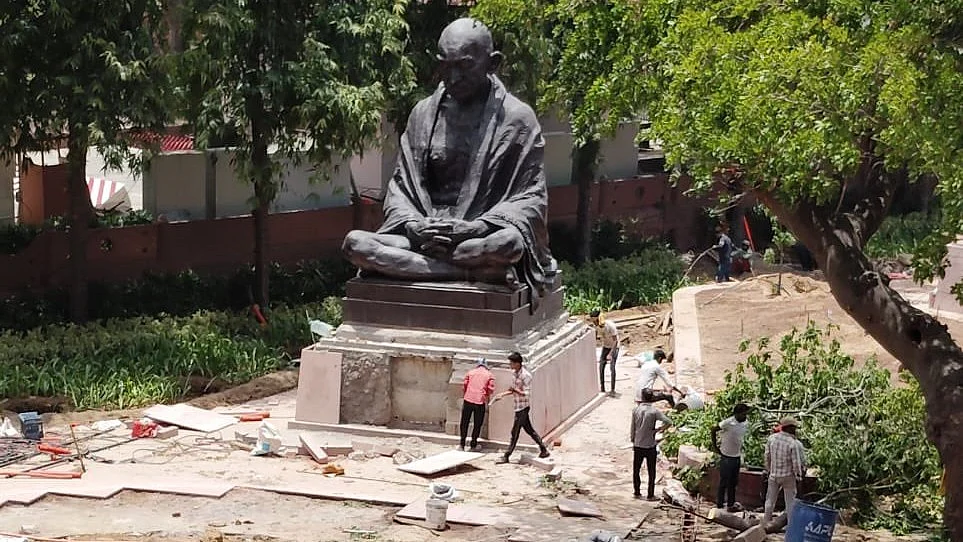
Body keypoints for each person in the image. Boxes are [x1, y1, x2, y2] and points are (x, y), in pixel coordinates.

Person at [341, 17, 558, 296]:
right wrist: (414, 225)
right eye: (445, 66)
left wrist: (476, 227)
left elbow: (530, 198)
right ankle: (464, 273)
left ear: (493, 63)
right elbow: (402, 188)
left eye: (465, 66)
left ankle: (416, 268)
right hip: (426, 238)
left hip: (480, 238)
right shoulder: (422, 115)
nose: (453, 78)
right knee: (355, 244)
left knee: (509, 244)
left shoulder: (517, 119)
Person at [494, 352, 551, 464]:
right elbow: (514, 390)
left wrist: (514, 391)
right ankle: (543, 449)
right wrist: (502, 395)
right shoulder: (515, 374)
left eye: (511, 363)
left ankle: (507, 455)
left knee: (514, 432)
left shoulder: (526, 375)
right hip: (518, 406)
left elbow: (526, 393)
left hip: (523, 407)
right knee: (530, 430)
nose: (510, 365)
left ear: (517, 363)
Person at [763, 417, 807, 526]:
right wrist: (799, 478)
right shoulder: (793, 443)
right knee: (790, 503)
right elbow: (796, 463)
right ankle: (791, 526)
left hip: (773, 475)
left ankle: (765, 523)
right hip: (788, 477)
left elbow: (767, 456)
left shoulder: (772, 439)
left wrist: (768, 469)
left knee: (770, 500)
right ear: (790, 428)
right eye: (794, 428)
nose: (795, 430)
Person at [631, 389, 672, 501]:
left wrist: (633, 440)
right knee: (651, 471)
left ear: (643, 397)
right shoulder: (654, 411)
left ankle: (637, 492)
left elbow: (633, 427)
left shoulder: (636, 410)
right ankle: (650, 494)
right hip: (650, 444)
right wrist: (659, 430)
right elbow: (668, 422)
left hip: (638, 444)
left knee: (636, 469)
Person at [710, 403, 750, 511]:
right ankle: (719, 503)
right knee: (724, 481)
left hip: (736, 455)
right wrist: (715, 447)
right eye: (743, 414)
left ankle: (730, 504)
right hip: (726, 456)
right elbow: (713, 429)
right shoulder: (728, 423)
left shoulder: (745, 423)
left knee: (733, 482)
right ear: (737, 414)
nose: (745, 416)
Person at [459, 358, 495, 452]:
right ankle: (473, 444)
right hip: (480, 401)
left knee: (464, 422)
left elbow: (464, 385)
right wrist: (485, 395)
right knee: (477, 423)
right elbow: (490, 389)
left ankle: (462, 444)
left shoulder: (470, 372)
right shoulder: (489, 375)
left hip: (468, 399)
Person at [590, 309, 620, 395]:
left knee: (612, 367)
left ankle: (612, 389)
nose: (594, 322)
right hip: (606, 346)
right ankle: (602, 388)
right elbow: (595, 336)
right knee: (601, 366)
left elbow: (615, 341)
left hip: (614, 347)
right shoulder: (596, 326)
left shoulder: (610, 326)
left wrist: (610, 354)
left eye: (595, 320)